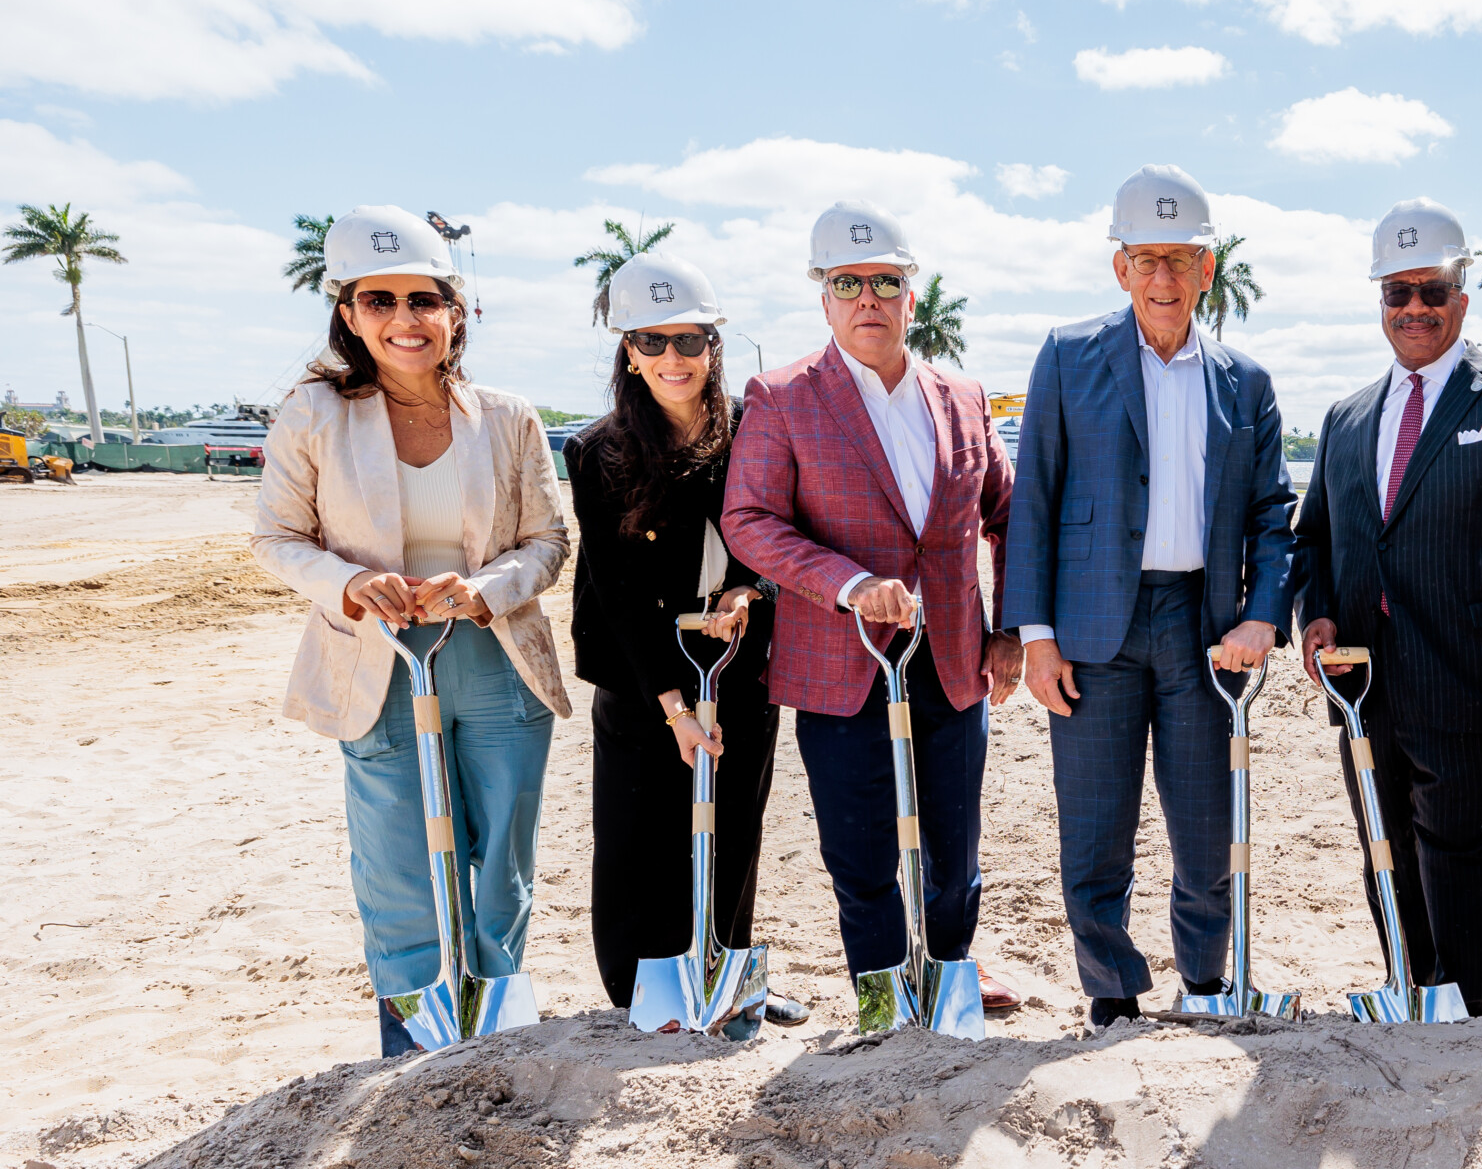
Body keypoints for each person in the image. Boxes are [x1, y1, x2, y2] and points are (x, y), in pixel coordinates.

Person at [248, 205, 570, 1055]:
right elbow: (275, 539)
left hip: (496, 662)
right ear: (348, 313)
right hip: (378, 662)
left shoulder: (507, 416)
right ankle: (417, 1048)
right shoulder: (313, 415)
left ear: (454, 311)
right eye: (378, 300)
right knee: (399, 864)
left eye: (422, 299)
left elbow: (548, 540)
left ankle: (496, 1032)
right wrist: (351, 583)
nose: (404, 319)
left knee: (499, 859)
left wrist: (487, 588)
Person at [1002, 164, 1298, 1030]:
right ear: (1120, 268)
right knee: (1095, 830)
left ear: (1209, 268)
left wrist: (1261, 612)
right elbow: (1037, 502)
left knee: (1207, 825)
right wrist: (1037, 635)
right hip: (1094, 628)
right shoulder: (1066, 356)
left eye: (1180, 259)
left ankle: (1204, 980)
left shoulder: (1248, 382)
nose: (1163, 278)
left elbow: (1275, 514)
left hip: (1204, 628)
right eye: (1145, 259)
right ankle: (1113, 992)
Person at [722, 202, 1024, 1009]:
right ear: (824, 296)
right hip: (841, 660)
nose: (868, 299)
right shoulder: (783, 396)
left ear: (910, 296)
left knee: (955, 845)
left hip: (955, 657)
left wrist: (1011, 630)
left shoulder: (962, 396)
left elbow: (1008, 514)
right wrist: (849, 584)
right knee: (859, 850)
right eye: (847, 282)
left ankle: (953, 972)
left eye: (885, 282)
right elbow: (748, 521)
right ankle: (883, 991)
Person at [1293, 198, 1482, 1018]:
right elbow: (1314, 539)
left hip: (1477, 688)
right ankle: (1411, 995)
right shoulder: (1347, 418)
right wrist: (1311, 616)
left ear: (1463, 294)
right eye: (1398, 292)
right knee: (1384, 851)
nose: (1414, 307)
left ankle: (1463, 1016)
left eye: (1432, 290)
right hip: (1363, 690)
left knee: (1462, 859)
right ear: (1379, 299)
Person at [564, 252, 803, 1022]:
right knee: (640, 833)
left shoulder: (754, 434)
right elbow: (618, 592)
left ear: (714, 347)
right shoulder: (596, 452)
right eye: (654, 341)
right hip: (641, 673)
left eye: (691, 341)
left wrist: (751, 588)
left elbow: (779, 541)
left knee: (734, 822)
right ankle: (643, 989)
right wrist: (671, 705)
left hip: (737, 657)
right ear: (628, 351)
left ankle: (728, 975)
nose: (674, 358)